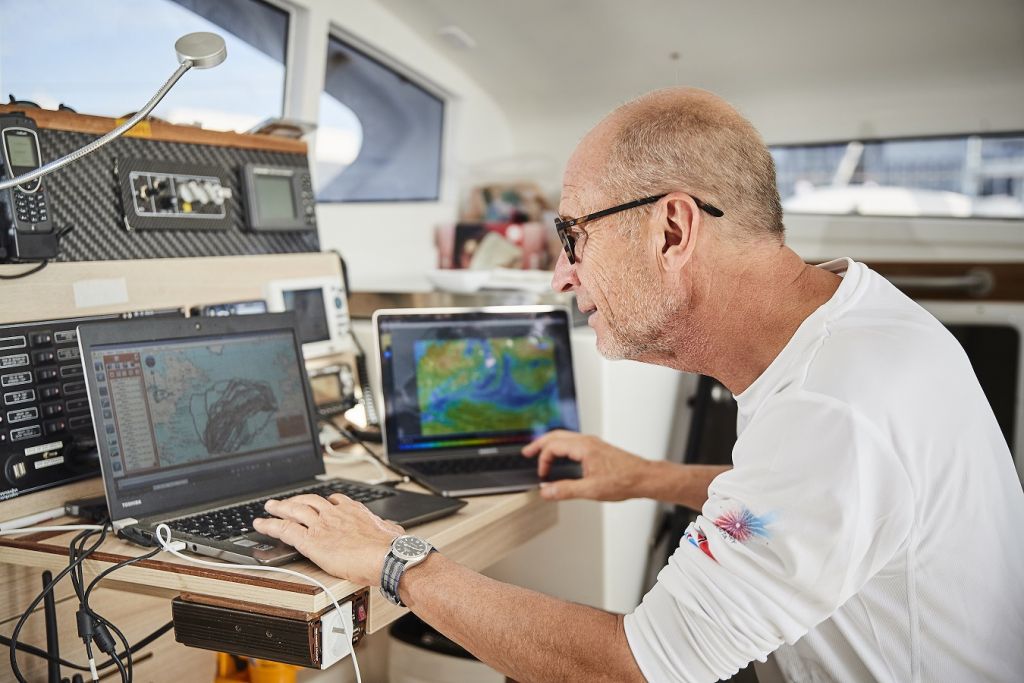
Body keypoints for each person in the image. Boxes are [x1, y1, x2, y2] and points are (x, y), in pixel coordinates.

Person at [253, 88, 1024, 682]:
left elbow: (630, 668)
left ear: (672, 229)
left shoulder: (834, 402)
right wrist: (645, 477)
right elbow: (815, 495)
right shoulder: (847, 319)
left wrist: (394, 557)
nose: (561, 274)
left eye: (573, 236)